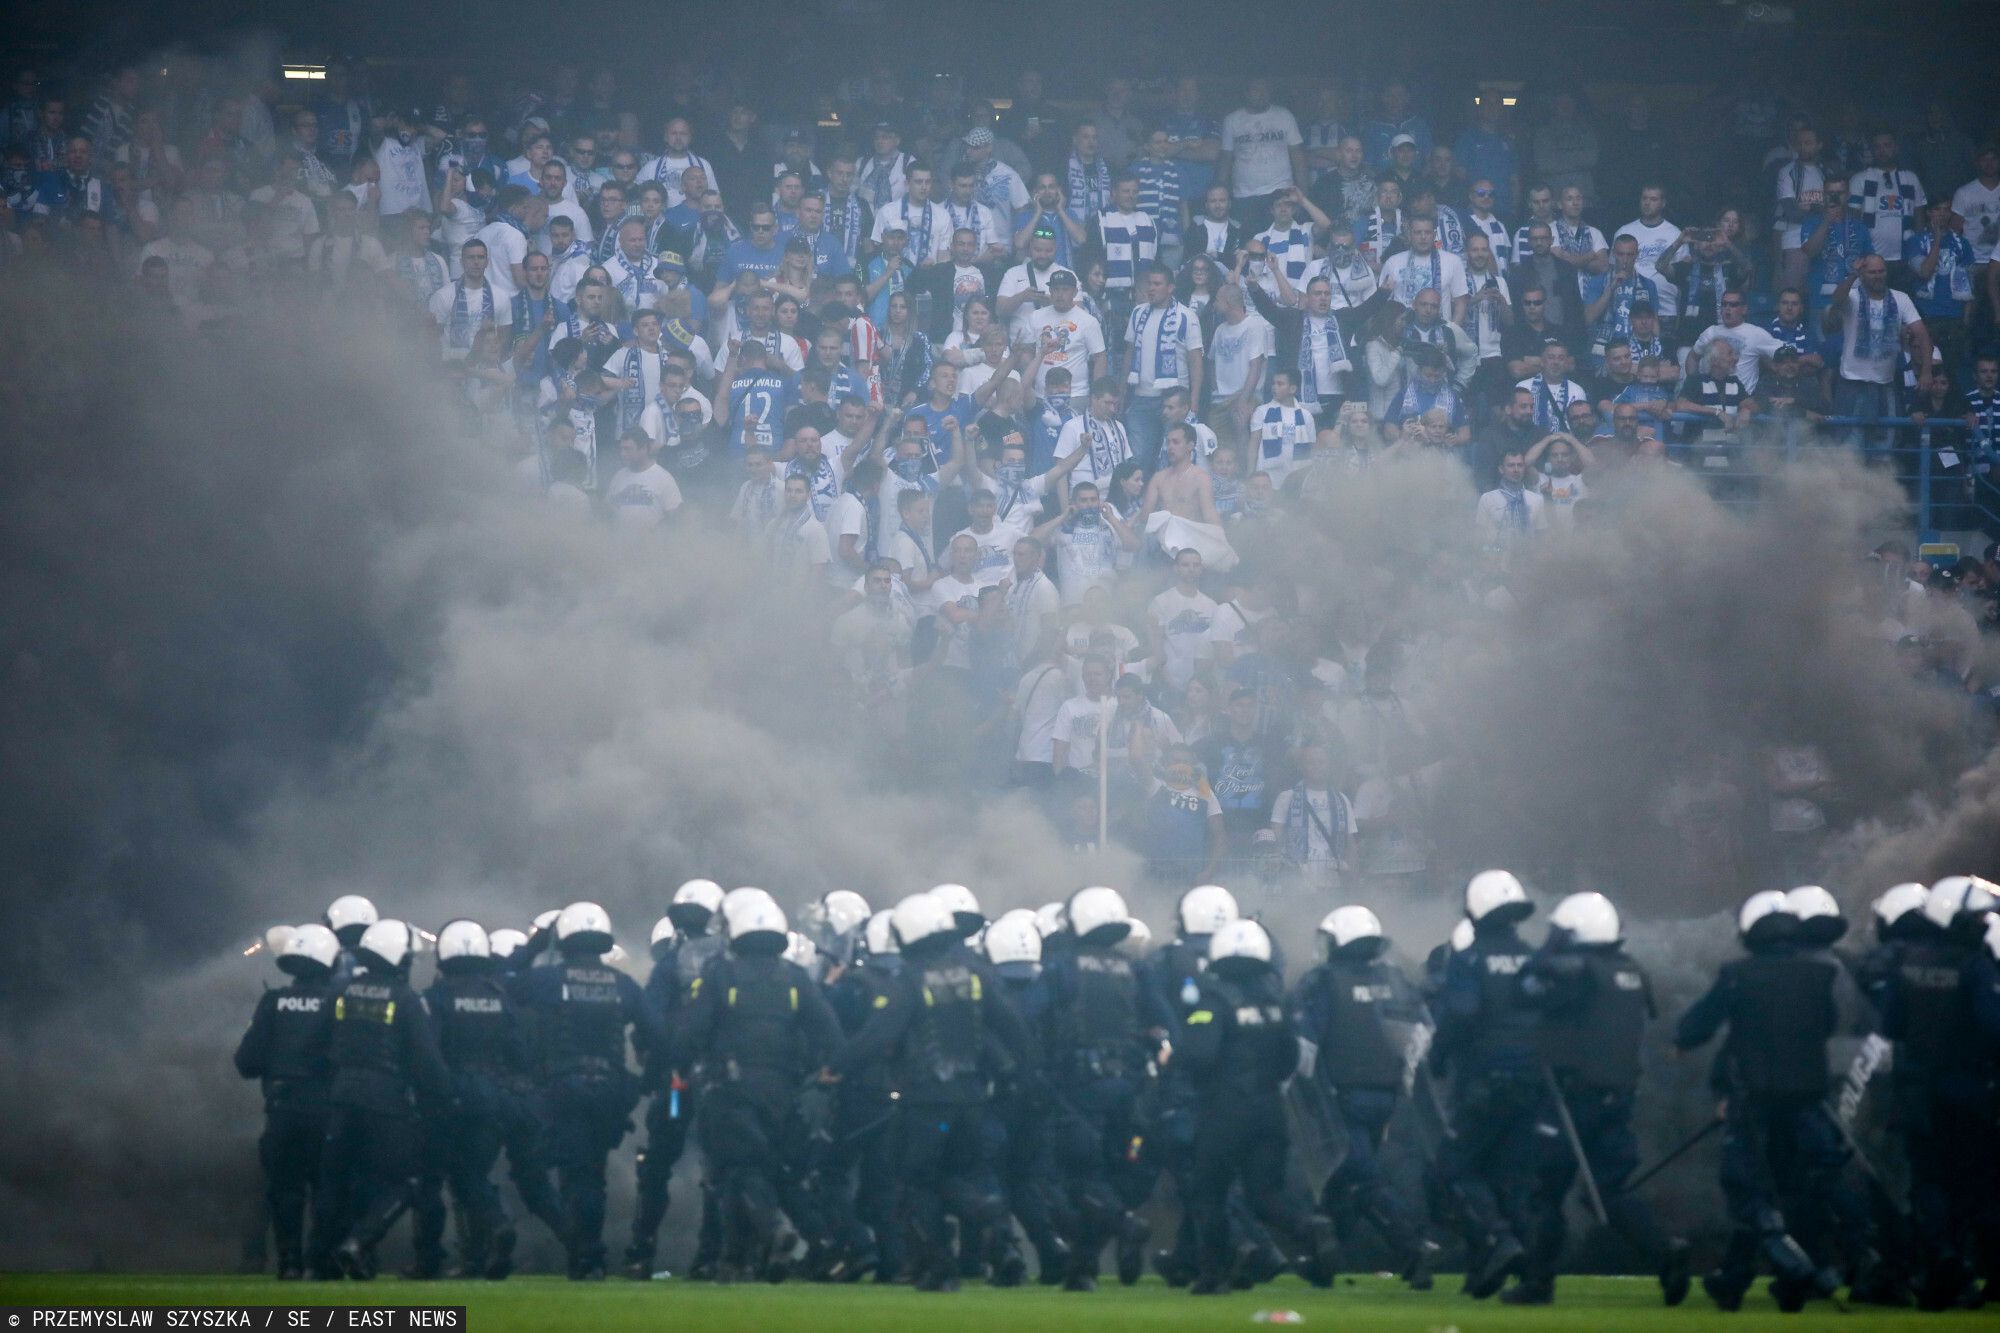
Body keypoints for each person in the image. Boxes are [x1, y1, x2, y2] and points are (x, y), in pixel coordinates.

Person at [832, 891, 1032, 1289]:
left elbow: (879, 1034)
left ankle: (938, 1269)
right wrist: (1022, 1074)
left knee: (916, 1183)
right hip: (974, 1098)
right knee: (962, 1174)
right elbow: (1012, 1029)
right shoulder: (976, 974)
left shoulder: (910, 979)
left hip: (925, 1103)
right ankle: (994, 1225)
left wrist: (835, 1066)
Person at [1674, 891, 1847, 1311]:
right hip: (1807, 1101)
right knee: (1792, 1188)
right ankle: (1736, 1280)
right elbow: (1828, 1026)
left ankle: (1796, 1268)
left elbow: (1698, 1025)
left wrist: (1681, 1042)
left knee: (1747, 1190)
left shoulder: (1737, 974)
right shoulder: (1822, 973)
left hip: (1752, 1102)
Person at [1516, 893, 1691, 1306]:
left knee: (1546, 1192)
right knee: (1608, 1191)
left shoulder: (1577, 974)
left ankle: (1538, 1282)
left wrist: (1547, 948)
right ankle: (1665, 1252)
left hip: (1570, 1100)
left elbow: (1527, 991)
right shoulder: (1632, 972)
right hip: (1618, 1099)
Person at [674, 892, 842, 1283]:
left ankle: (775, 1231)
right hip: (784, 1093)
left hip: (730, 1090)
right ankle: (734, 1264)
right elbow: (830, 1034)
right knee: (757, 1171)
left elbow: (689, 1034)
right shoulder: (795, 977)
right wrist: (827, 1071)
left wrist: (682, 1068)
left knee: (739, 1169)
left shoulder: (720, 974)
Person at [1179, 918, 1340, 1294]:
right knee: (1265, 1195)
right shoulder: (1275, 1003)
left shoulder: (1213, 999)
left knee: (1209, 1193)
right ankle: (1310, 1228)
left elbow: (1200, 1056)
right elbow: (1289, 1057)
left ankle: (1213, 1275)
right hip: (1271, 1112)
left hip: (1225, 1112)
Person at [1288, 906, 1438, 1289]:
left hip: (1342, 1098)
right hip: (1386, 1099)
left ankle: (1414, 1245)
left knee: (1362, 1178)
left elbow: (1304, 1046)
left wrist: (1298, 1088)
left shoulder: (1323, 981)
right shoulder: (1394, 979)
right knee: (1344, 1180)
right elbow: (1421, 1035)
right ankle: (1323, 1259)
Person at [511, 903, 656, 1280]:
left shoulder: (545, 979)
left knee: (555, 1172)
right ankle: (588, 1254)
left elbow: (499, 980)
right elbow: (658, 1034)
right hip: (608, 1091)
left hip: (561, 1089)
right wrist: (646, 1080)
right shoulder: (624, 985)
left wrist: (531, 948)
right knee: (592, 1177)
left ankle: (583, 1251)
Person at [1040, 887, 1168, 1290]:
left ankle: (1124, 1225)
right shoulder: (1136, 968)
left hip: (1079, 1085)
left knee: (1076, 1178)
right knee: (1111, 1175)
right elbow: (1165, 1027)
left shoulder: (1061, 965)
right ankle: (1083, 1270)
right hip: (1130, 1087)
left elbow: (1031, 1015)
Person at [312, 920, 451, 1280]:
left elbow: (316, 1043)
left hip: (341, 1098)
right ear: (398, 959)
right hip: (386, 1102)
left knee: (335, 1180)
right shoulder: (406, 999)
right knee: (409, 1180)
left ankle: (322, 1262)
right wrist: (443, 1099)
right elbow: (427, 1062)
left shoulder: (340, 991)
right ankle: (359, 1242)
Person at [1431, 871, 1543, 1299]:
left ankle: (1500, 1240)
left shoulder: (1471, 959)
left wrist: (1439, 1054)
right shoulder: (1534, 958)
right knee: (1509, 1179)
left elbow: (1462, 1013)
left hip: (1482, 1083)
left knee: (1455, 1170)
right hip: (1531, 1085)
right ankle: (1523, 1274)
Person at [233, 924, 338, 1281]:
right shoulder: (339, 1004)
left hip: (282, 1110)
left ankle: (289, 1261)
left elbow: (246, 1062)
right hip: (327, 1111)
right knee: (327, 1187)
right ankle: (321, 1261)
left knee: (284, 1189)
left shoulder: (273, 1002)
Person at [1821, 254, 1932, 431]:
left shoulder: (1901, 299)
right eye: (1872, 272)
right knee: (1849, 445)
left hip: (1885, 384)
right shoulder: (1852, 297)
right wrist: (1852, 275)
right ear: (1863, 274)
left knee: (1884, 447)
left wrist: (1927, 371)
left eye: (1881, 271)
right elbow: (1836, 299)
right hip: (1852, 383)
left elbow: (1922, 335)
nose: (1877, 275)